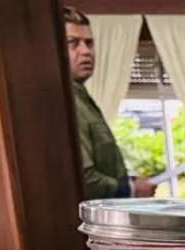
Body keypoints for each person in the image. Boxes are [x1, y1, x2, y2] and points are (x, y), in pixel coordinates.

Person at [65, 7, 153, 200]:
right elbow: (83, 179)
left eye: (89, 43)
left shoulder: (81, 97)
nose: (86, 51)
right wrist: (130, 189)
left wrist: (127, 180)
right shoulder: (62, 101)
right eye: (73, 43)